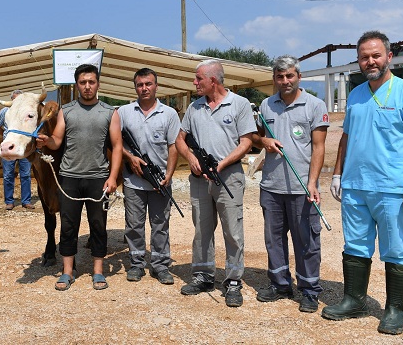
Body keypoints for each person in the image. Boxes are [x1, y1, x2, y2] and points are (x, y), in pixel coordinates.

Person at [322, 31, 403, 335]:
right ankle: (354, 300)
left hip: (391, 188)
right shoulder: (357, 94)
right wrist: (337, 173)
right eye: (364, 57)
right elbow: (347, 136)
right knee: (355, 245)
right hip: (355, 187)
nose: (370, 61)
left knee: (396, 249)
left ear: (389, 57)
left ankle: (396, 309)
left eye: (375, 55)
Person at [175, 59, 256, 307]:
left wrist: (220, 164)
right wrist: (190, 157)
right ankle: (203, 275)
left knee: (232, 231)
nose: (194, 82)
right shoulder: (194, 107)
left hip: (228, 176)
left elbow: (246, 142)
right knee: (201, 229)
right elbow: (180, 138)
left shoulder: (239, 104)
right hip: (200, 179)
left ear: (213, 80)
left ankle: (233, 281)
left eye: (198, 78)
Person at [36, 64, 122, 291]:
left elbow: (117, 145)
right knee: (68, 226)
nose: (87, 86)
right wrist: (47, 142)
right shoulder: (67, 111)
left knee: (98, 225)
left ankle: (98, 272)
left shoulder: (110, 112)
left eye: (91, 82)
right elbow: (56, 140)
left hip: (98, 178)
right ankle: (67, 272)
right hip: (69, 178)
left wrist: (113, 177)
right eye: (83, 83)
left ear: (98, 84)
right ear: (77, 85)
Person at [252, 55, 329, 313]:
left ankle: (309, 289)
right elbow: (257, 137)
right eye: (279, 77)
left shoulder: (315, 105)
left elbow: (319, 147)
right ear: (274, 79)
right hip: (271, 186)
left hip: (301, 188)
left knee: (306, 240)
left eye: (289, 76)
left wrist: (313, 182)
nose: (285, 81)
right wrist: (264, 142)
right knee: (274, 239)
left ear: (299, 77)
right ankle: (280, 284)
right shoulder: (266, 105)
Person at [118, 68, 180, 285]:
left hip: (160, 180)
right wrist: (130, 158)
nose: (144, 88)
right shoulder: (124, 112)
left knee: (160, 224)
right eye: (140, 85)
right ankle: (136, 264)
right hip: (133, 181)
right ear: (135, 87)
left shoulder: (170, 114)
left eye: (148, 84)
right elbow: (115, 143)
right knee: (134, 225)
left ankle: (160, 265)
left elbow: (173, 147)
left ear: (156, 86)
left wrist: (169, 175)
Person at [0, 89, 34, 210]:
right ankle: (9, 201)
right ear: (11, 100)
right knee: (8, 175)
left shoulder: (26, 113)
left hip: (23, 147)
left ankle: (26, 201)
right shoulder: (5, 111)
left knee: (26, 174)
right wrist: (6, 137)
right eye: (15, 99)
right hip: (9, 147)